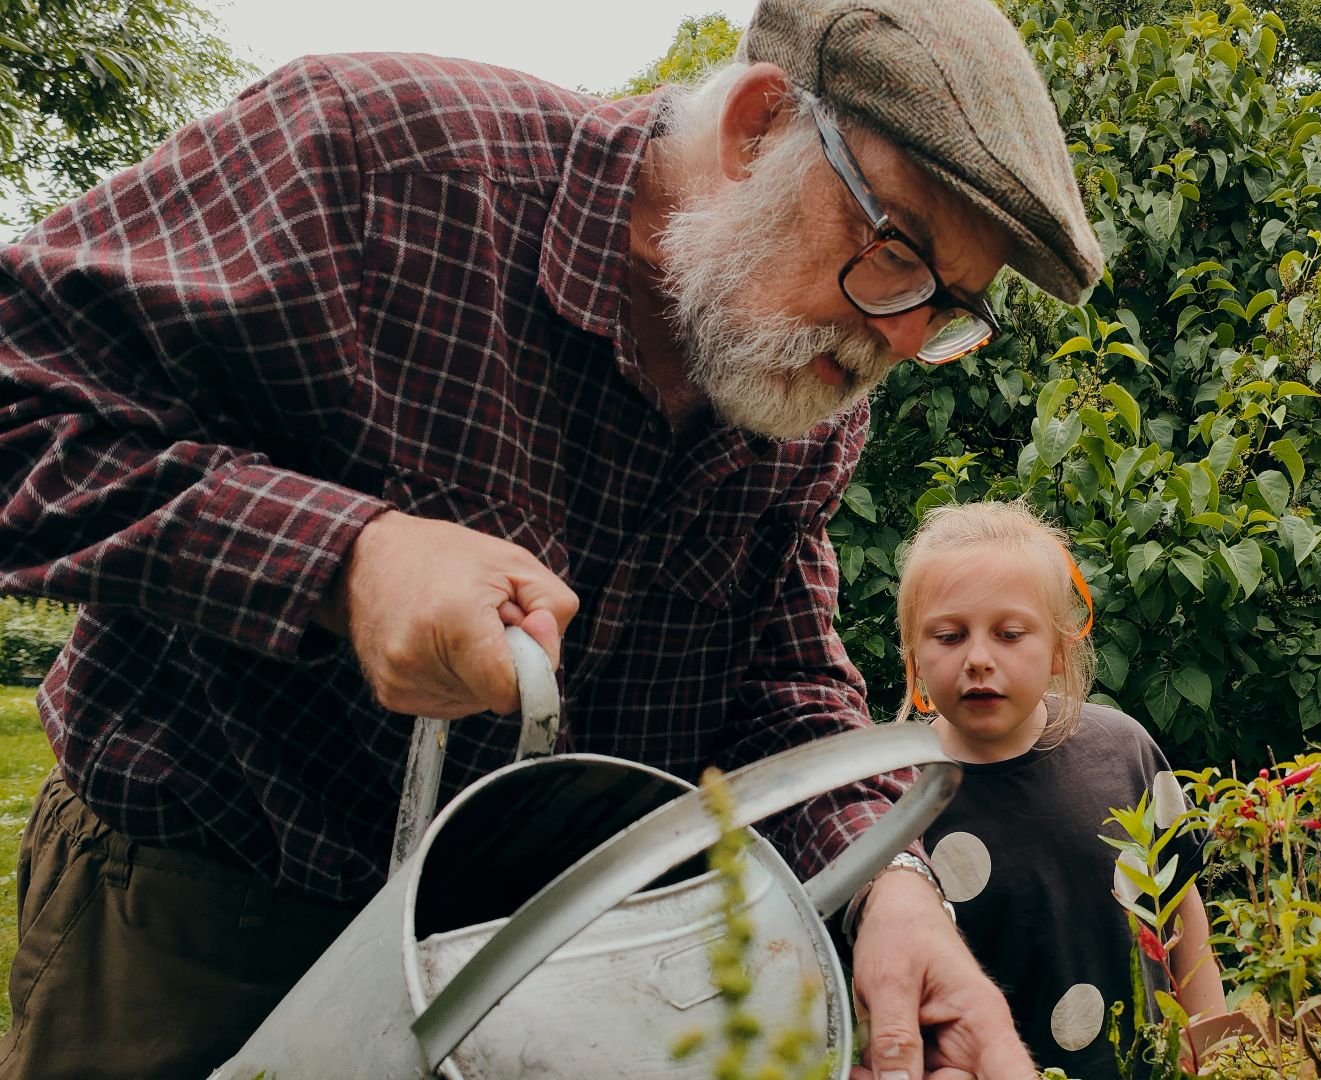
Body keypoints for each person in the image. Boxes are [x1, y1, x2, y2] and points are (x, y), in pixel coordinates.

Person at [0, 0, 1107, 1074]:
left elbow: (777, 680)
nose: (900, 337)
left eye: (949, 305)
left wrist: (890, 884)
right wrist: (349, 559)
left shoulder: (802, 388)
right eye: (898, 250)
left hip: (530, 967)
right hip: (193, 918)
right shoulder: (381, 163)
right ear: (757, 127)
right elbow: (23, 397)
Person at [895, 502, 1227, 1080]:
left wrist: (1213, 1051)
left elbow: (1183, 917)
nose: (977, 659)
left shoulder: (1123, 751)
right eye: (949, 636)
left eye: (1009, 634)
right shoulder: (896, 795)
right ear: (915, 655)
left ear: (1058, 648)